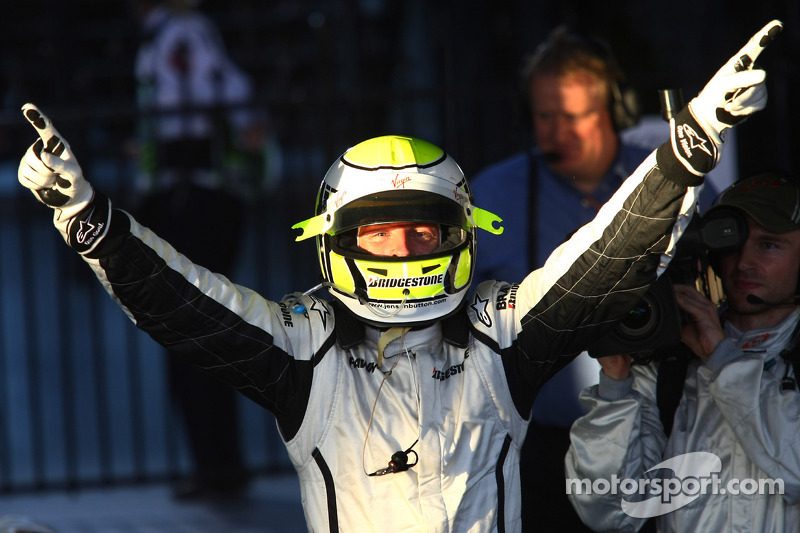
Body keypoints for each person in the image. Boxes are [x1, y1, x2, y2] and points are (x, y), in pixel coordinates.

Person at [16, 20, 779, 532]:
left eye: (423, 230)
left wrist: (692, 142)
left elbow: (604, 257)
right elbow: (186, 304)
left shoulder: (502, 327)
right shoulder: (298, 346)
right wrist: (90, 223)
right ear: (336, 240)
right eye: (382, 234)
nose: (407, 249)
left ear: (459, 233)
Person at [469, 26, 651, 531]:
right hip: (535, 443)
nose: (558, 132)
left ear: (613, 110)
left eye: (575, 115)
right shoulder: (492, 193)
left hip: (648, 433)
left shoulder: (660, 182)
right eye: (544, 116)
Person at [565, 170, 800, 532]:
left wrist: (721, 359)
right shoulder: (671, 358)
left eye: (768, 244)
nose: (743, 262)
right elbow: (608, 511)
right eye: (731, 242)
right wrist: (616, 382)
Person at [129, 0, 270, 499]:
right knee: (198, 328)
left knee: (190, 329)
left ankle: (217, 467)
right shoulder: (182, 33)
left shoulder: (181, 34)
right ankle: (217, 465)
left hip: (192, 198)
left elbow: (196, 108)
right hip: (200, 195)